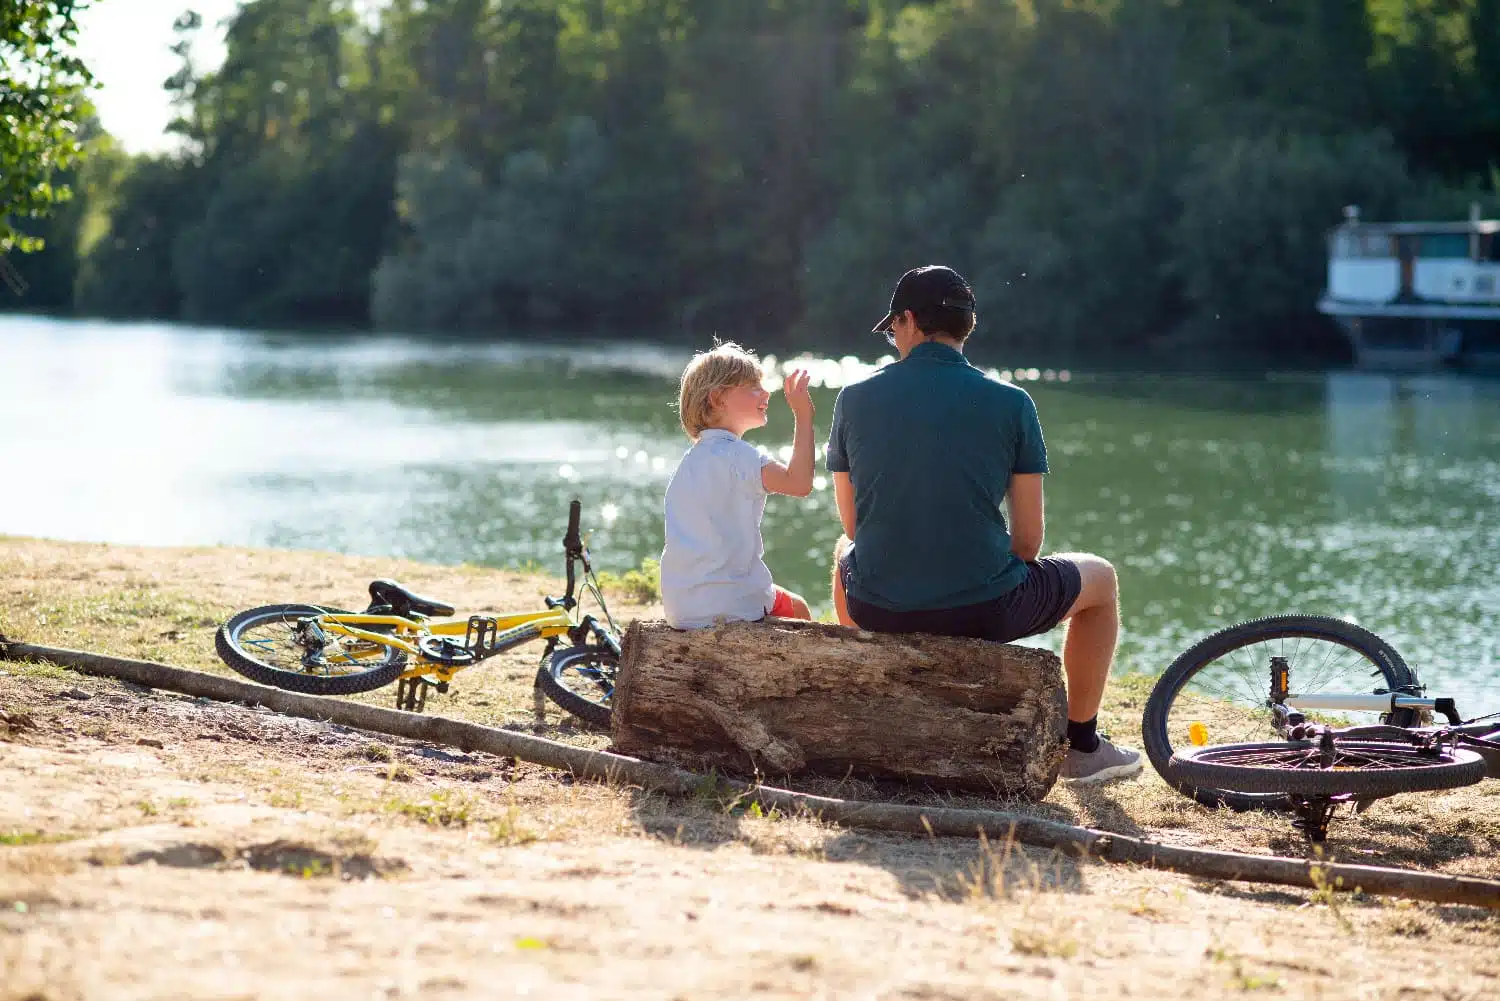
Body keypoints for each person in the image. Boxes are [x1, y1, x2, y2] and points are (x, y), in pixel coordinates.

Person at [826, 266, 1141, 784]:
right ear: (964, 326)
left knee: (844, 549)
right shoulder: (1013, 402)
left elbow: (856, 527)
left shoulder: (853, 398)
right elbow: (1028, 541)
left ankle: (880, 689)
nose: (893, 339)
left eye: (893, 328)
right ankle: (1082, 747)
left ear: (908, 320)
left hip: (876, 605)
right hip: (986, 609)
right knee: (1101, 579)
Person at [660, 341, 816, 630]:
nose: (766, 392)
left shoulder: (688, 464)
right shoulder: (741, 456)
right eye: (753, 386)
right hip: (733, 606)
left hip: (682, 609)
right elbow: (800, 483)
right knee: (798, 607)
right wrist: (804, 415)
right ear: (718, 398)